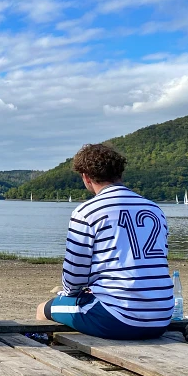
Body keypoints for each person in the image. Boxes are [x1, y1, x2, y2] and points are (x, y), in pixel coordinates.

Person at [36, 143, 173, 339]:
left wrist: (70, 294)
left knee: (44, 309)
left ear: (86, 177)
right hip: (162, 316)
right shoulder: (154, 209)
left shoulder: (87, 212)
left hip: (119, 318)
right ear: (120, 173)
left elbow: (75, 277)